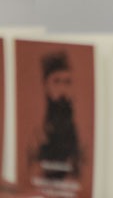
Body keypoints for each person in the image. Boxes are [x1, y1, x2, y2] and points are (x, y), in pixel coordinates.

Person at [28, 50, 83, 186]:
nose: (62, 88)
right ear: (46, 85)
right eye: (56, 81)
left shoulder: (76, 127)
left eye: (67, 82)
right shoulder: (36, 129)